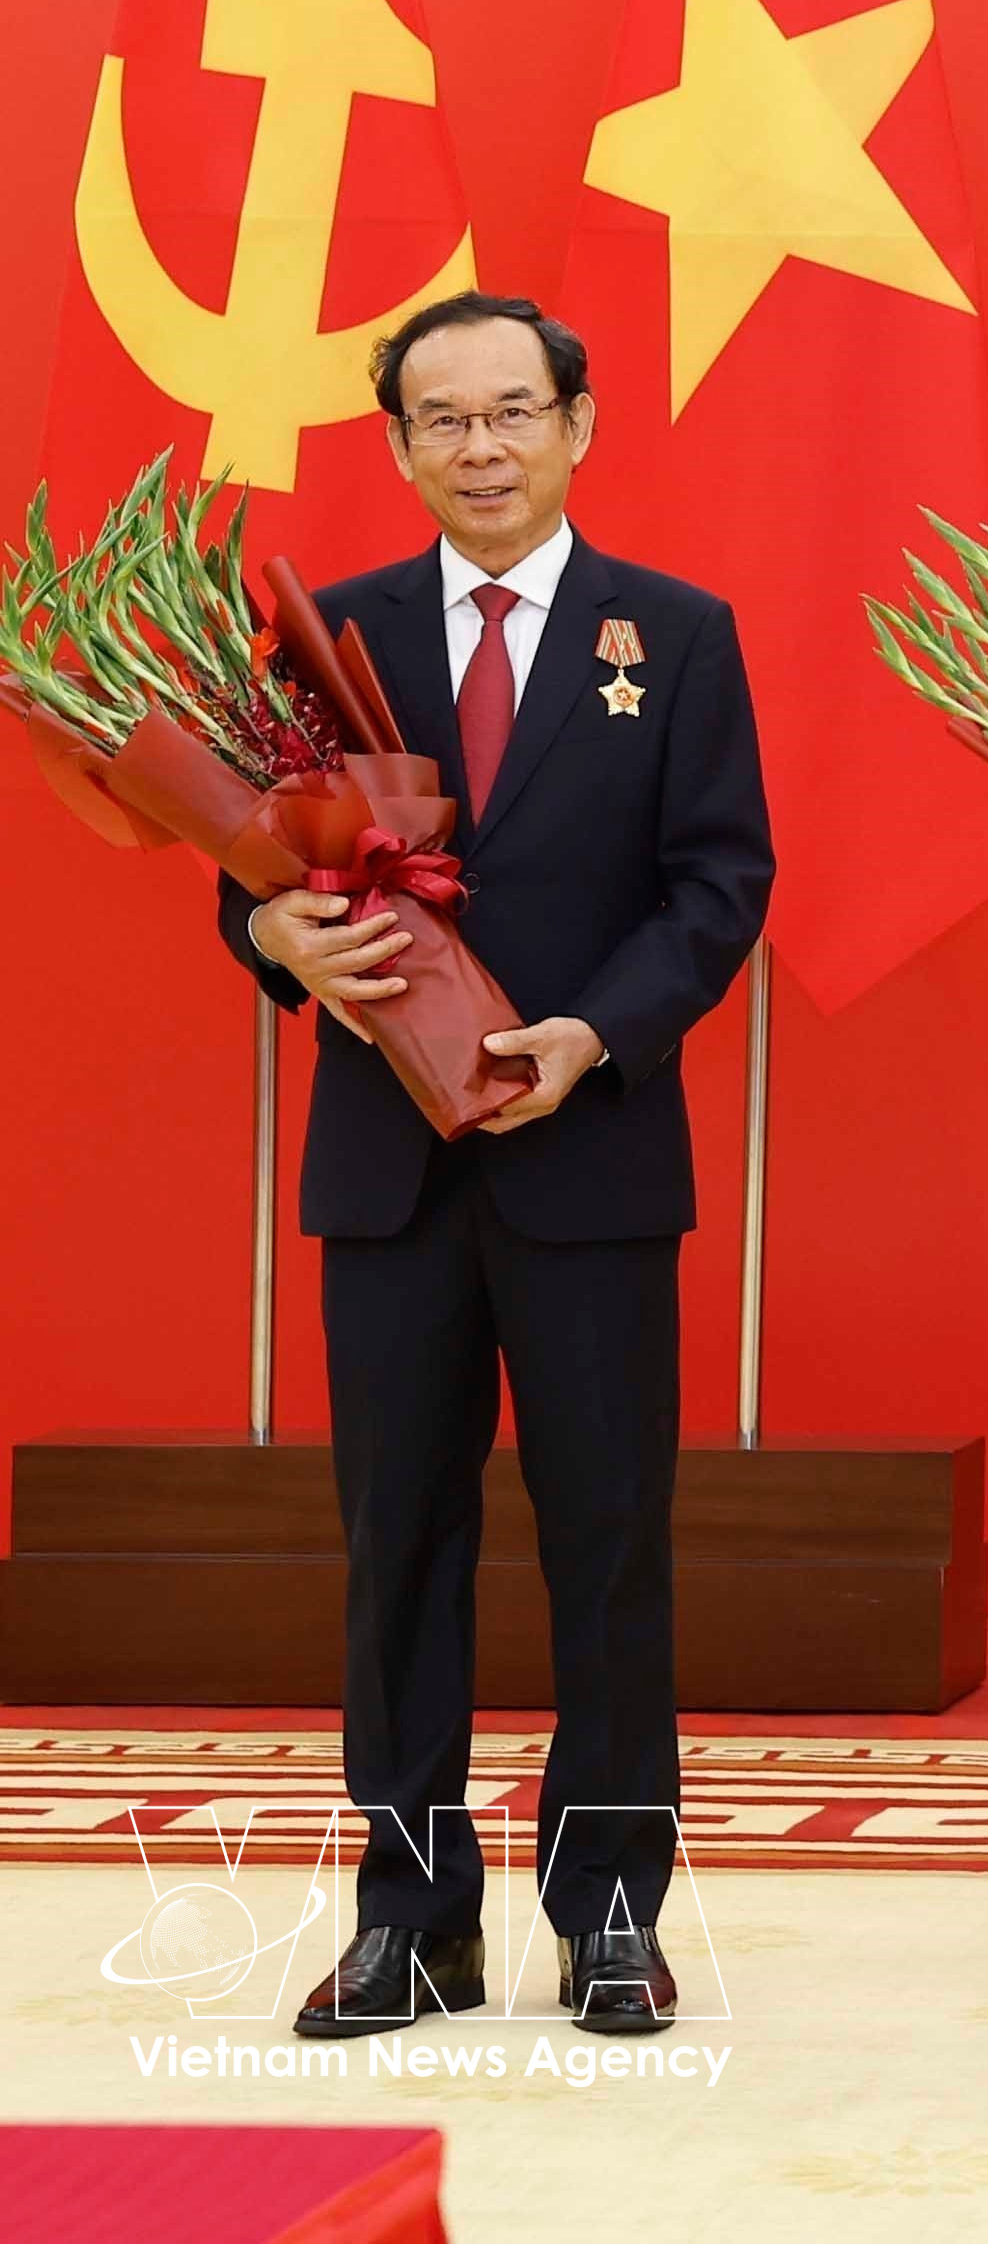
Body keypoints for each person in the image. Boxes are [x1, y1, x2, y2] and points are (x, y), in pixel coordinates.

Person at [240, 292, 774, 2038]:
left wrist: (592, 1037)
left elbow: (719, 884)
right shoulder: (337, 636)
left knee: (609, 1541)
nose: (481, 445)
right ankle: (411, 1915)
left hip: (591, 1157)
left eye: (513, 411)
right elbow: (252, 867)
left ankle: (609, 1910)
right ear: (398, 444)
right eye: (443, 419)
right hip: (387, 1174)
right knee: (399, 1539)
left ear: (579, 422)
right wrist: (276, 940)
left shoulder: (673, 634)